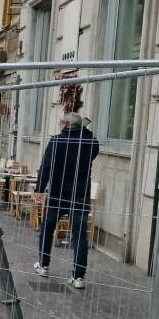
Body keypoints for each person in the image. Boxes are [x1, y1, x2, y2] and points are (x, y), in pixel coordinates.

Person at [33, 112, 99, 290]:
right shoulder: (89, 142)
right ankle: (78, 277)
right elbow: (94, 147)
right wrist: (83, 130)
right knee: (79, 235)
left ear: (64, 124)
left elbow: (46, 166)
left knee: (47, 228)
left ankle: (43, 265)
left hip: (57, 193)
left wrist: (39, 189)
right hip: (80, 194)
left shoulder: (56, 141)